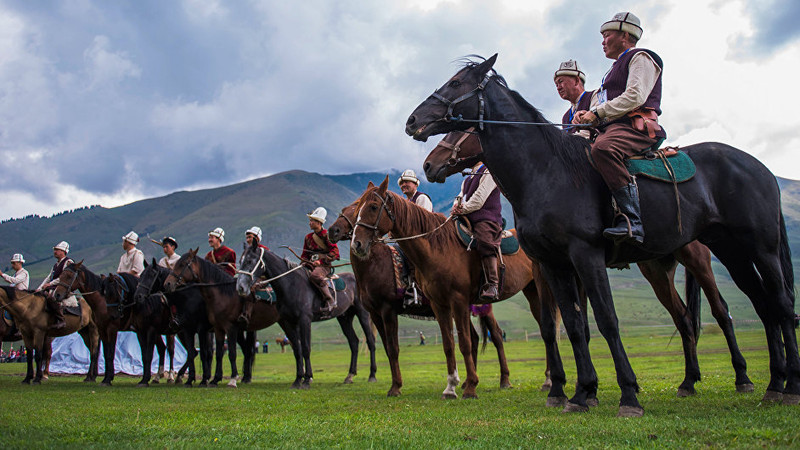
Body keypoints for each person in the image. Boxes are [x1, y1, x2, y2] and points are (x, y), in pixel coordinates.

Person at [574, 12, 666, 245]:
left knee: (603, 149)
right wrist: (585, 117)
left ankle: (632, 221)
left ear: (625, 35)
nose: (602, 41)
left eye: (606, 35)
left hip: (633, 126)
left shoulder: (641, 57)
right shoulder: (611, 71)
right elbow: (602, 107)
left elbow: (635, 96)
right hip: (612, 127)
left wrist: (596, 113)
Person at [452, 161, 503, 301]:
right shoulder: (467, 179)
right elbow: (460, 196)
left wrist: (461, 209)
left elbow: (479, 198)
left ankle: (492, 284)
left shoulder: (489, 171)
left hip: (486, 218)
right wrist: (456, 206)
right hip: (467, 217)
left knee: (484, 239)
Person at [301, 207, 340, 313]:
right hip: (310, 265)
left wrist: (321, 262)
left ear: (319, 223)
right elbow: (305, 254)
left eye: (312, 221)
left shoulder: (327, 236)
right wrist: (304, 262)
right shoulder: (308, 237)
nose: (310, 223)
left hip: (324, 266)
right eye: (310, 221)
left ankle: (330, 300)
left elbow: (335, 252)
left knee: (315, 276)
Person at [36, 241, 74, 330]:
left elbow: (64, 277)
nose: (55, 252)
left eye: (57, 250)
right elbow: (49, 277)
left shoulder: (68, 262)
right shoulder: (56, 264)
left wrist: (50, 284)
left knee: (51, 297)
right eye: (55, 250)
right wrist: (39, 288)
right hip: (53, 286)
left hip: (61, 287)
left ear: (63, 251)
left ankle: (61, 319)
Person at [554, 59, 596, 139]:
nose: (558, 88)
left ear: (576, 81)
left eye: (561, 81)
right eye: (556, 85)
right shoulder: (565, 117)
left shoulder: (594, 96)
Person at [238, 226, 270, 325]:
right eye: (247, 238)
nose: (248, 240)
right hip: (248, 276)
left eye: (250, 237)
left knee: (250, 287)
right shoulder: (246, 251)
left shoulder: (264, 250)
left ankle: (246, 313)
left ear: (257, 238)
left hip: (262, 278)